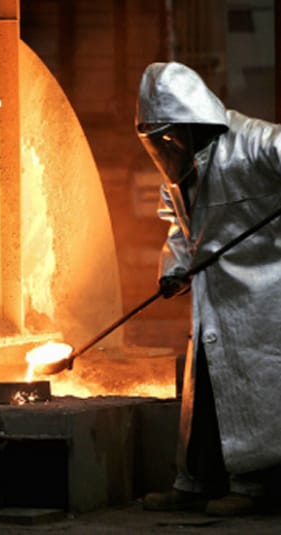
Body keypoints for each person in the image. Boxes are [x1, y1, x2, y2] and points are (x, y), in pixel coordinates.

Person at [135, 61, 281, 516]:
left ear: (191, 119)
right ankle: (195, 481)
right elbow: (181, 231)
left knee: (255, 393)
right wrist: (174, 270)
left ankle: (251, 486)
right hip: (214, 302)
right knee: (206, 398)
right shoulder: (179, 177)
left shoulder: (253, 143)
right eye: (158, 139)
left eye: (170, 136)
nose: (167, 148)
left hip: (263, 300)